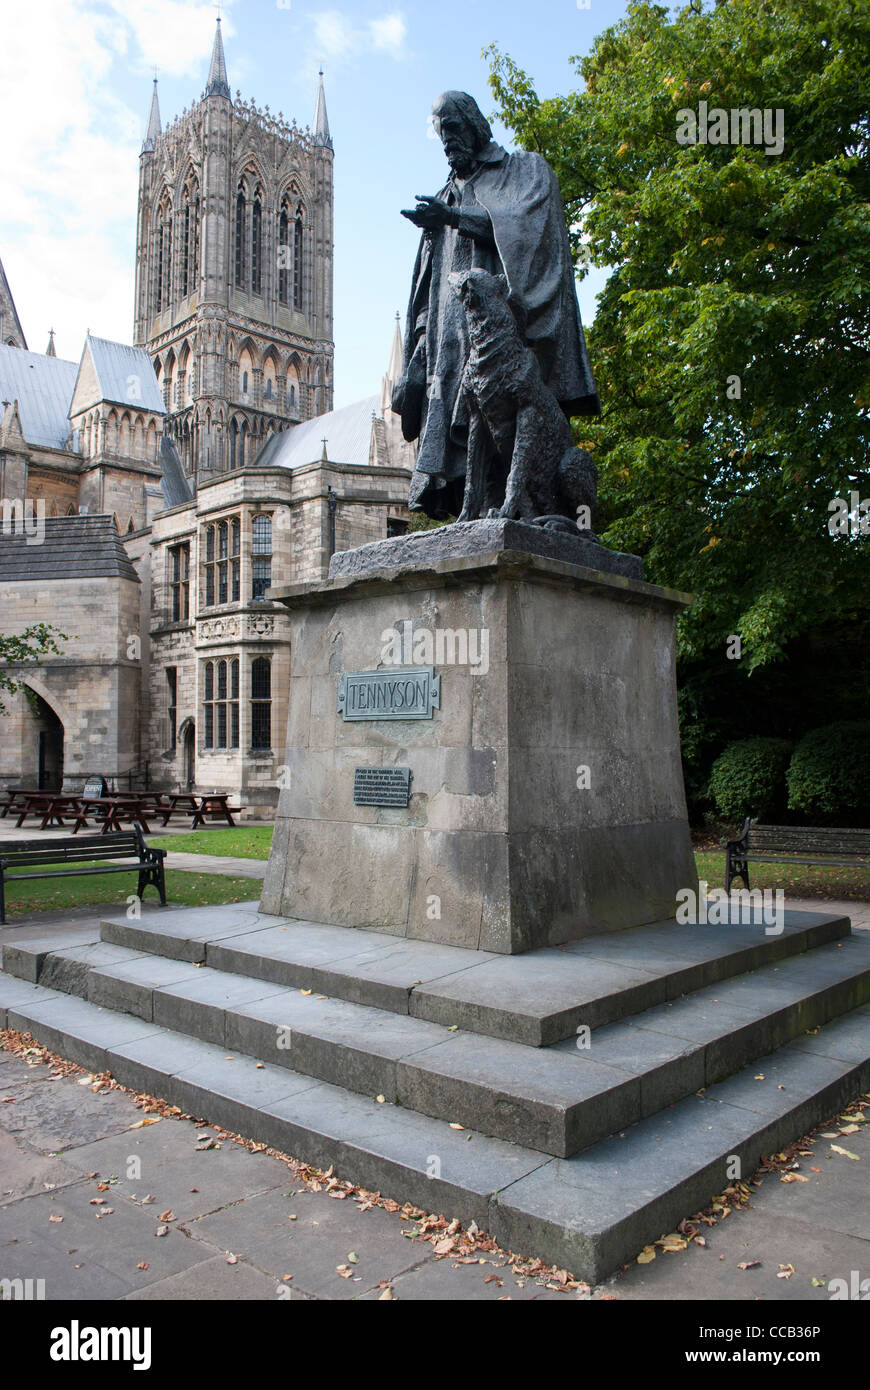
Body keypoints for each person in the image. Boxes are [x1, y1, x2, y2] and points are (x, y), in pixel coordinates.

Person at [393, 90, 599, 519]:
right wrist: (419, 344)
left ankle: (522, 506)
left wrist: (450, 219)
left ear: (474, 124)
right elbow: (427, 284)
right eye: (439, 132)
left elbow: (526, 235)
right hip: (451, 341)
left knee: (516, 413)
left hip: (502, 336)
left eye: (452, 128)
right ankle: (480, 508)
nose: (446, 139)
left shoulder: (522, 171)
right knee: (465, 425)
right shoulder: (445, 195)